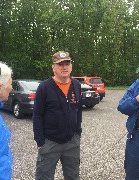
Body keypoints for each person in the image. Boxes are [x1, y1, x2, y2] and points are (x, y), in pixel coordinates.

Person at [33, 51, 82, 180]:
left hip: (72, 142)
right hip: (50, 142)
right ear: (53, 67)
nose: (64, 67)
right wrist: (40, 141)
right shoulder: (44, 87)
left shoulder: (76, 85)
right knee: (44, 177)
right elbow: (37, 115)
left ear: (71, 66)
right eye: (60, 64)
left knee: (73, 176)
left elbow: (78, 110)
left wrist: (77, 133)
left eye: (67, 63)